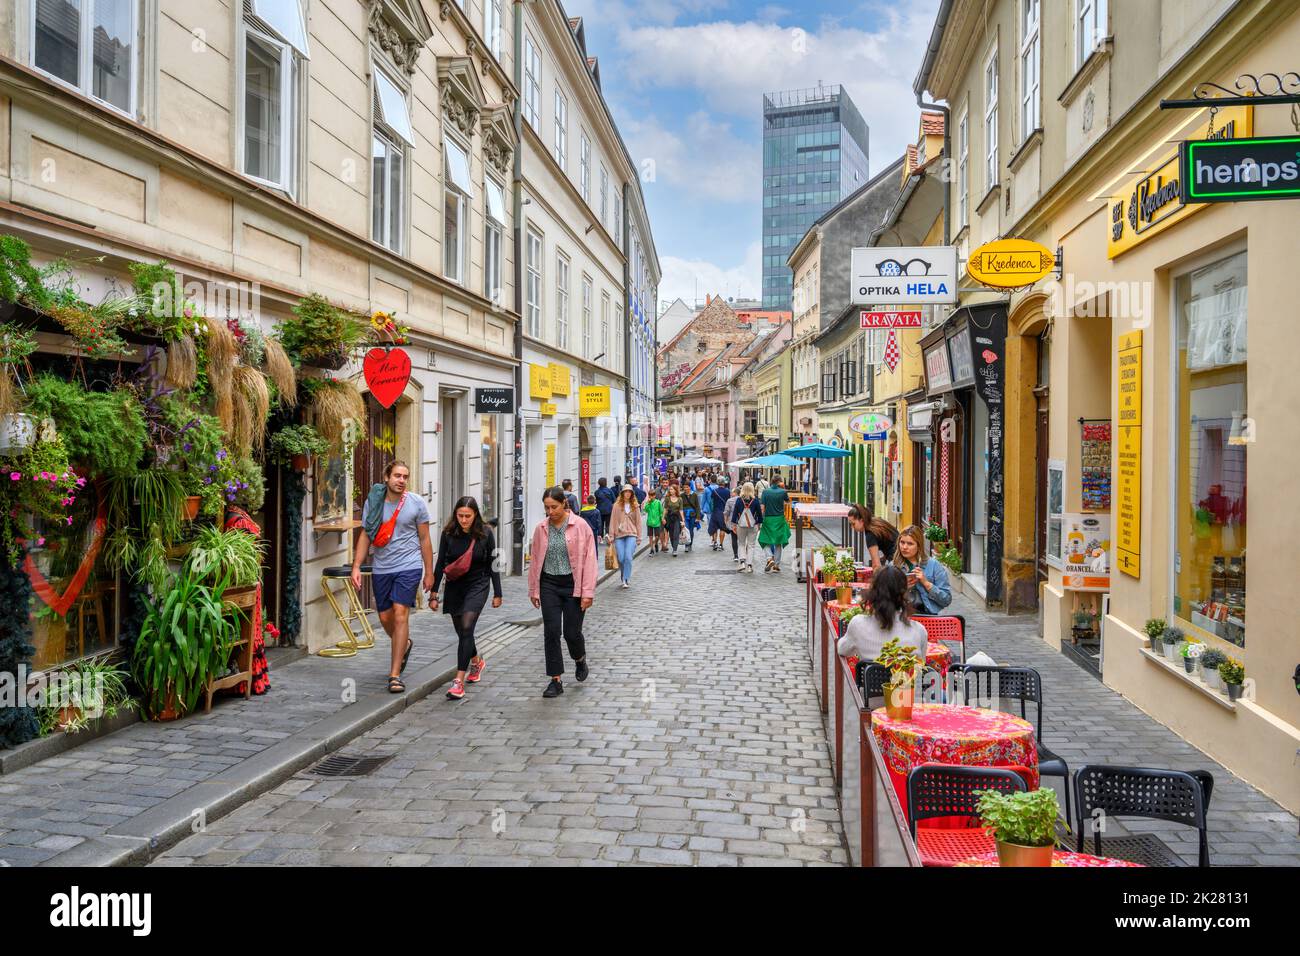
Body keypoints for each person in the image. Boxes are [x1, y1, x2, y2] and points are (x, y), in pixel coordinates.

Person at [351, 461, 432, 694]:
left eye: (405, 476)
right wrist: (357, 565)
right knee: (385, 616)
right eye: (397, 475)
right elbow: (366, 534)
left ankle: (394, 675)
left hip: (409, 565)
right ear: (386, 477)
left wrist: (429, 572)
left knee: (400, 613)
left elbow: (425, 539)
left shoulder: (416, 503)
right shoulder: (374, 503)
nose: (401, 480)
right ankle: (403, 643)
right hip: (382, 567)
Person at [430, 497, 503, 701]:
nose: (463, 520)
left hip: (478, 584)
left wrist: (498, 593)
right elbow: (440, 563)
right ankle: (476, 661)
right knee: (463, 632)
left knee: (467, 625)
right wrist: (434, 592)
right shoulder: (448, 534)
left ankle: (458, 682)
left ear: (475, 515)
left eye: (468, 516)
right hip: (455, 586)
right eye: (460, 516)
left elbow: (494, 563)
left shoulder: (485, 533)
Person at [528, 486, 597, 698]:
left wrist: (587, 592)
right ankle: (555, 680)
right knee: (551, 631)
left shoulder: (580, 526)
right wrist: (534, 589)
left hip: (572, 586)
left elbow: (590, 560)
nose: (550, 512)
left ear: (564, 504)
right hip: (549, 584)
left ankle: (579, 659)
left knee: (571, 633)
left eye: (554, 507)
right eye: (547, 508)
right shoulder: (541, 528)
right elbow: (536, 559)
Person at [836, 564, 928, 664]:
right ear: (903, 593)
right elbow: (921, 665)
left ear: (873, 591)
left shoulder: (858, 624)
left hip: (869, 679)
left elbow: (843, 649)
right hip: (906, 679)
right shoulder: (919, 631)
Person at [893, 524, 953, 615]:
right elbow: (884, 599)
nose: (904, 547)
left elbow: (946, 600)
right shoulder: (893, 566)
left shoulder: (934, 566)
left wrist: (927, 584)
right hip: (900, 617)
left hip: (927, 617)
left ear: (919, 545)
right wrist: (903, 590)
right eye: (902, 542)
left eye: (910, 544)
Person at [847, 503, 900, 572]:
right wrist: (884, 558)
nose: (852, 527)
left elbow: (876, 564)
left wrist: (875, 581)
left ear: (862, 520)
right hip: (902, 556)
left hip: (896, 561)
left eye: (853, 524)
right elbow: (890, 541)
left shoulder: (870, 534)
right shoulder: (876, 521)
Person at [608, 485, 642, 588]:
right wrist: (611, 535)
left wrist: (639, 537)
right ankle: (623, 574)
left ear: (632, 493)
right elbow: (613, 520)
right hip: (619, 535)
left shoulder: (635, 505)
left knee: (628, 557)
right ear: (622, 493)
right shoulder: (616, 505)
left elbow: (639, 522)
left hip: (631, 533)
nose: (628, 493)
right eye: (626, 491)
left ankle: (626, 579)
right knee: (621, 558)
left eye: (629, 492)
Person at [758, 476, 791, 573]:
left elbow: (762, 507)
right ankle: (776, 565)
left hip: (768, 519)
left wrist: (760, 519)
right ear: (779, 482)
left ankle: (769, 558)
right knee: (778, 542)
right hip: (779, 519)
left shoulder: (765, 492)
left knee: (764, 540)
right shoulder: (783, 492)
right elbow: (788, 502)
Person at [728, 481, 763, 572]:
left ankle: (742, 562)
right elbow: (759, 514)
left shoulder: (739, 500)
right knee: (751, 545)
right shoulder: (755, 501)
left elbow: (735, 514)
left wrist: (733, 525)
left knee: (741, 543)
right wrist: (759, 524)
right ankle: (750, 565)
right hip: (753, 525)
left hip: (741, 525)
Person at [707, 477, 730, 550]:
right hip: (723, 512)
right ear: (724, 483)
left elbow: (712, 502)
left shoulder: (714, 491)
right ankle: (721, 544)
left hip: (715, 511)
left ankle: (715, 543)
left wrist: (711, 510)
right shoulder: (727, 491)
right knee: (722, 529)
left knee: (714, 528)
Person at [664, 483, 685, 556]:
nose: (670, 491)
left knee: (676, 533)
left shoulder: (680, 499)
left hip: (677, 517)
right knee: (671, 534)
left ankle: (675, 549)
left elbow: (681, 510)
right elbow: (665, 509)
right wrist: (663, 518)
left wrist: (683, 521)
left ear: (675, 490)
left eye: (672, 489)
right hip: (669, 518)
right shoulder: (667, 499)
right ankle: (673, 546)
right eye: (670, 489)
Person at [722, 481, 741, 562]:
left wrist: (725, 521)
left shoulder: (729, 500)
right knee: (743, 539)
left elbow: (726, 512)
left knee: (734, 538)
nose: (731, 493)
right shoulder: (742, 500)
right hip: (742, 522)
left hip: (733, 522)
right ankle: (745, 554)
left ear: (735, 493)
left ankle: (736, 555)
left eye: (732, 492)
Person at [681, 483, 701, 552]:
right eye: (684, 487)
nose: (685, 489)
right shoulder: (682, 495)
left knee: (691, 530)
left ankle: (690, 544)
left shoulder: (694, 495)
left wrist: (698, 517)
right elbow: (681, 507)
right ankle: (686, 545)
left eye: (687, 487)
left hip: (693, 515)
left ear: (690, 487)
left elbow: (697, 506)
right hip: (685, 515)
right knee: (686, 529)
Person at [644, 487, 664, 554]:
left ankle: (655, 543)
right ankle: (651, 549)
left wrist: (662, 519)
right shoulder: (648, 503)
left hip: (657, 522)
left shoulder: (658, 502)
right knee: (650, 536)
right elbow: (645, 510)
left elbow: (661, 511)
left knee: (657, 536)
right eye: (650, 495)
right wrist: (648, 503)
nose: (651, 497)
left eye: (652, 495)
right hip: (649, 522)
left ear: (655, 495)